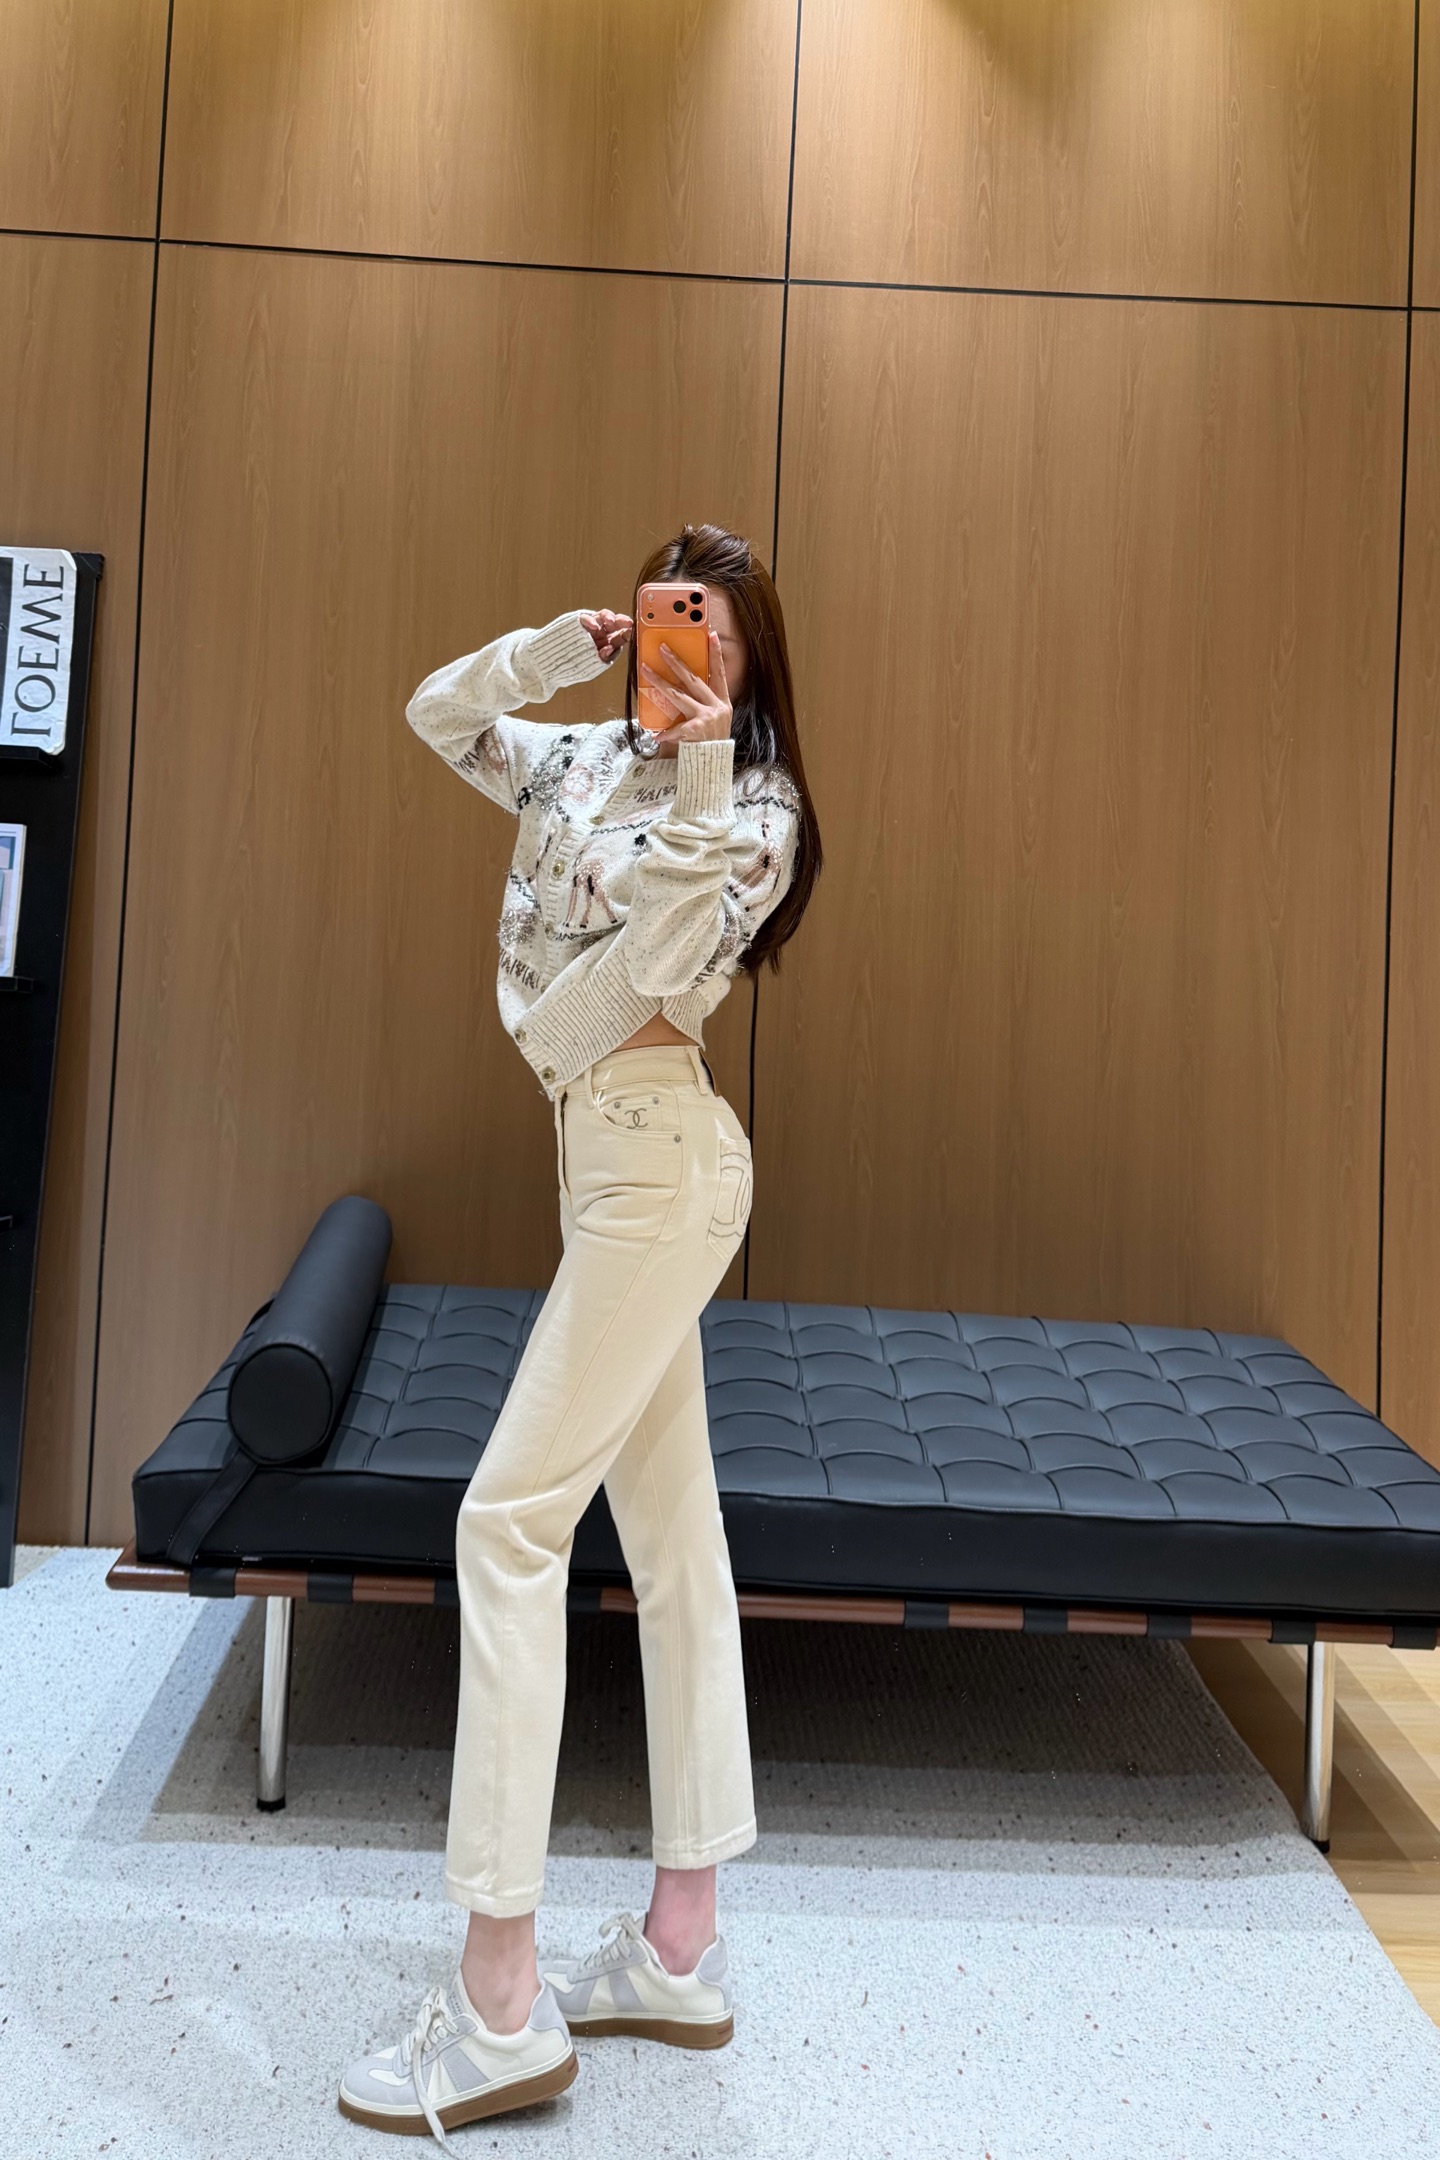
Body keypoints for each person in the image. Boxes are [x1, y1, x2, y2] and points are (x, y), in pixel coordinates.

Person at [338, 523, 822, 2148]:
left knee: (507, 1526)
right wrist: (557, 651)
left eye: (720, 643)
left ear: (754, 668)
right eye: (674, 627)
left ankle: (496, 2000)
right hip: (606, 1162)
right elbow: (435, 713)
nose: (692, 660)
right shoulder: (573, 755)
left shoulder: (756, 811)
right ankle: (680, 1952)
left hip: (663, 1165)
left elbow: (668, 944)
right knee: (674, 1546)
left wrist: (699, 765)